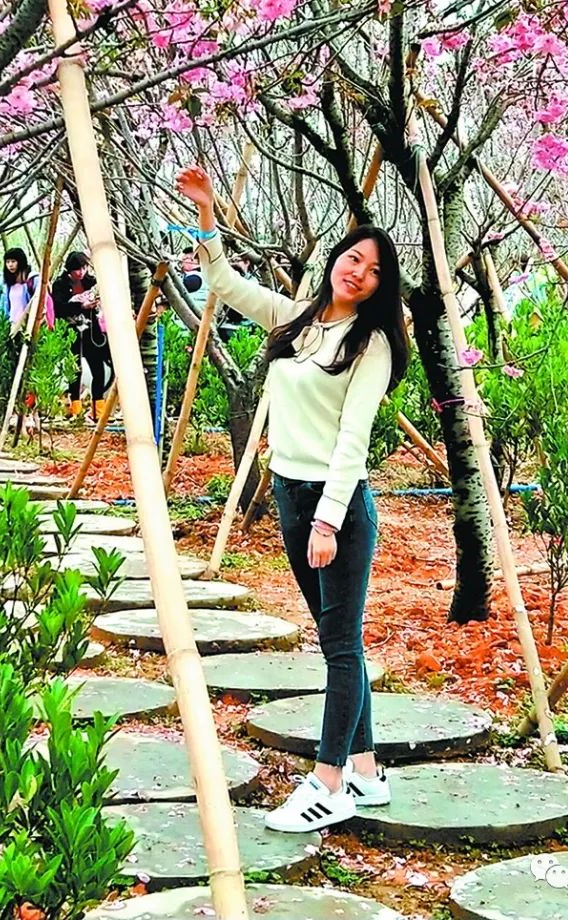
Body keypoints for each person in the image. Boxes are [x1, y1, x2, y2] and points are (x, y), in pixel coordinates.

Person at [176, 164, 409, 833]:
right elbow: (222, 285)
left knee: (339, 647)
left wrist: (329, 521)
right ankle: (366, 768)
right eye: (352, 257)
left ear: (379, 287)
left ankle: (329, 782)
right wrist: (208, 217)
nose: (356, 271)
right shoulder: (300, 319)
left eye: (371, 270)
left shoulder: (373, 345)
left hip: (336, 507)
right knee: (339, 641)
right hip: (289, 494)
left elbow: (353, 439)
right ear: (336, 259)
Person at [51, 251, 113, 420]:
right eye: (77, 269)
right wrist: (81, 306)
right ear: (70, 269)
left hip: (91, 332)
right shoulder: (60, 285)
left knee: (98, 370)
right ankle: (74, 409)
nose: (81, 272)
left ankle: (98, 410)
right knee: (74, 371)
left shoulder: (91, 282)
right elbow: (59, 308)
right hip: (72, 332)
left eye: (84, 268)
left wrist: (95, 304)